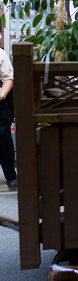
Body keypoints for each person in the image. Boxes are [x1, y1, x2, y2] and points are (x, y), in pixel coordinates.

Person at [0, 48, 15, 189]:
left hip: (0, 101)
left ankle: (10, 176)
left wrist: (2, 95)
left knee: (3, 136)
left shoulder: (0, 53)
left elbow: (7, 78)